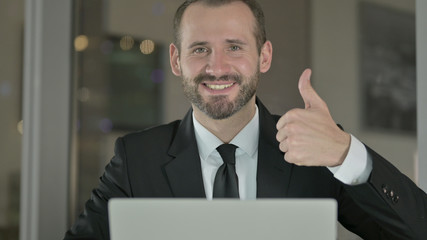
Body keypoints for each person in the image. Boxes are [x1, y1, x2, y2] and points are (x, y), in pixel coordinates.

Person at [64, 0, 427, 239]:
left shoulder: (316, 151)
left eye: (234, 47)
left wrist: (347, 154)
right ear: (176, 60)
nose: (217, 67)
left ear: (264, 56)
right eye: (200, 48)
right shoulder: (135, 158)